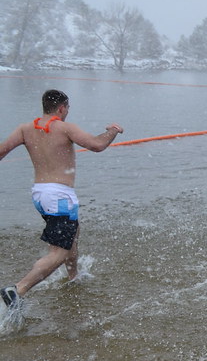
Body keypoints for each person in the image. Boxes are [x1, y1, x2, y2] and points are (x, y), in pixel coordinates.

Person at [0, 89, 124, 310]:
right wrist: (112, 131)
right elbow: (97, 145)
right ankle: (18, 289)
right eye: (68, 108)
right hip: (59, 196)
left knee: (72, 234)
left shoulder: (25, 129)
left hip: (40, 193)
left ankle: (73, 276)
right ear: (62, 108)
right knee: (60, 251)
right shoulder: (65, 127)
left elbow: (1, 151)